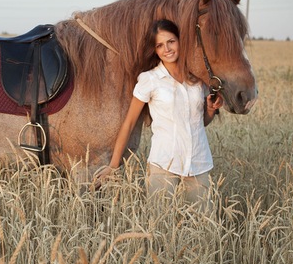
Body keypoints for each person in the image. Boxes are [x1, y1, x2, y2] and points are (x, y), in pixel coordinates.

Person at [94, 19, 223, 207]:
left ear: (180, 41)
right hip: (164, 164)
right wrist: (113, 166)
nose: (167, 49)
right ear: (155, 50)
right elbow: (129, 123)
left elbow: (197, 122)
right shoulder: (150, 80)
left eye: (171, 41)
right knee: (160, 224)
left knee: (203, 224)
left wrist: (210, 110)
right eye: (160, 45)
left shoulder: (197, 79)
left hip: (198, 161)